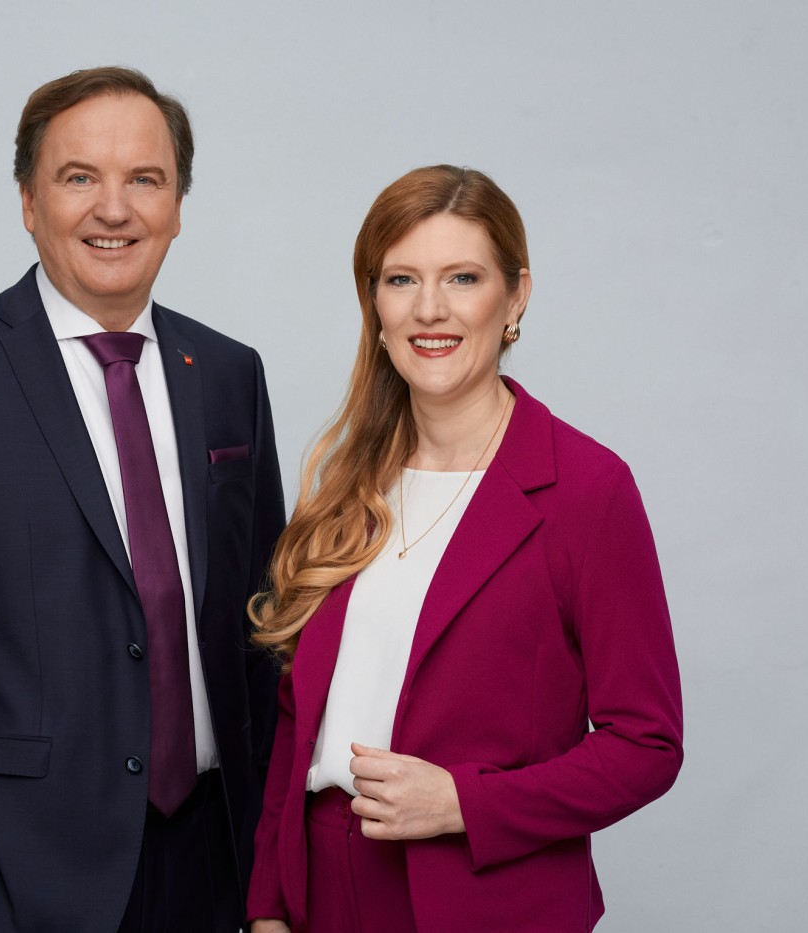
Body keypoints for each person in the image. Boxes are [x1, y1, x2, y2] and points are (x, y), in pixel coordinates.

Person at [0, 66, 285, 933]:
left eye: (144, 179)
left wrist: (270, 845)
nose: (114, 209)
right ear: (28, 201)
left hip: (213, 859)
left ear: (178, 206)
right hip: (17, 867)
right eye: (80, 177)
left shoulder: (229, 373)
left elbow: (264, 623)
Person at [246, 165, 682, 932]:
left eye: (463, 277)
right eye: (402, 279)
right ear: (375, 304)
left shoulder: (588, 490)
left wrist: (464, 802)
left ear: (515, 298)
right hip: (322, 892)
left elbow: (647, 744)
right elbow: (295, 716)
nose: (430, 308)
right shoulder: (346, 484)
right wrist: (269, 908)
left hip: (485, 900)